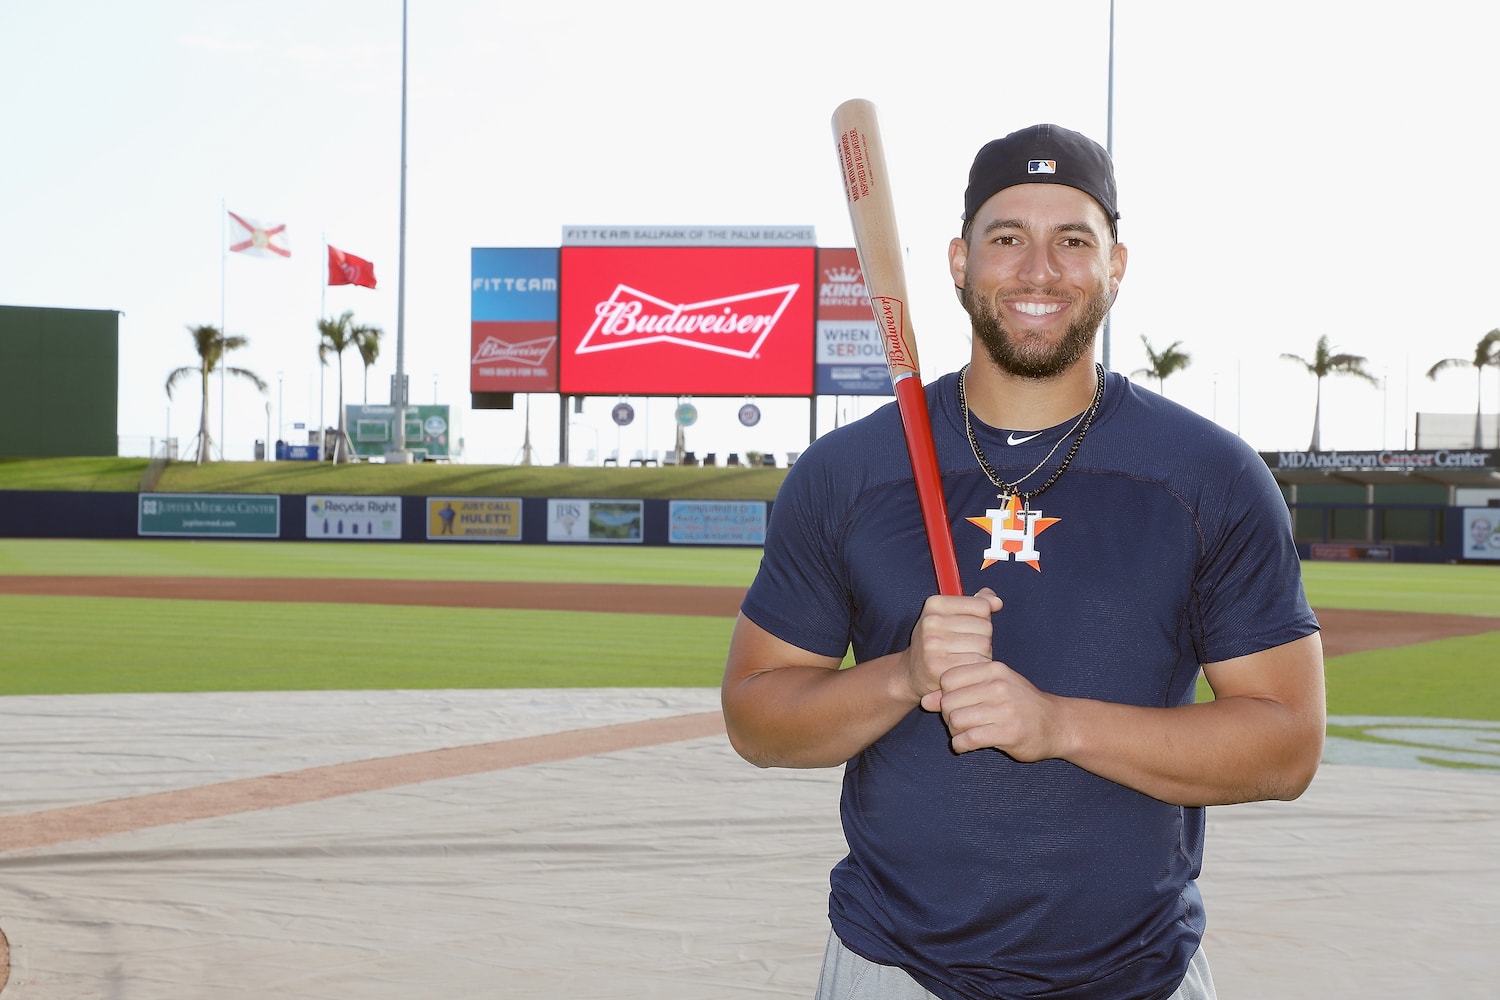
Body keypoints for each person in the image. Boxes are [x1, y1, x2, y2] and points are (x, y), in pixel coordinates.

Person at [721, 123, 1326, 1000]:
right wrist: (902, 676)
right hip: (894, 971)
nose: (1039, 269)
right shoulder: (850, 474)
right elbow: (756, 719)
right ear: (960, 261)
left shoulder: (1208, 477)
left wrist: (1057, 727)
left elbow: (1287, 745)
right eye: (1008, 239)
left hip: (1139, 977)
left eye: (1072, 240)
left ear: (1116, 265)